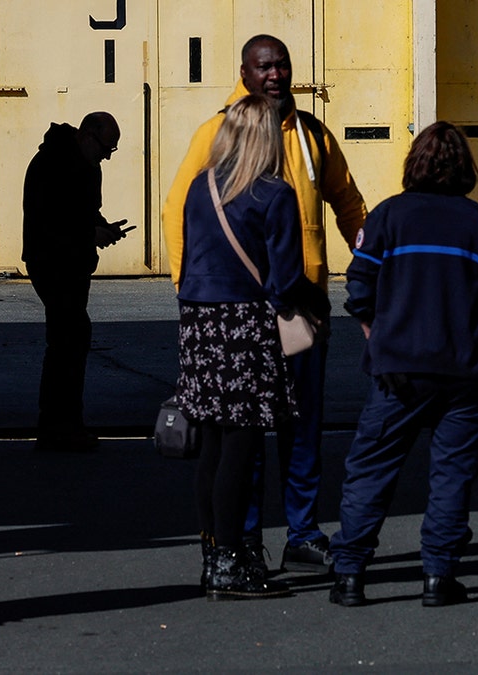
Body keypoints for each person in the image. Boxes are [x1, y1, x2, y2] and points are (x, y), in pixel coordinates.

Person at [163, 34, 367, 575]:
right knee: (241, 437)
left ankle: (301, 532)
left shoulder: (312, 136)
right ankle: (243, 536)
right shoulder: (222, 130)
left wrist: (370, 265)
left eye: (282, 65)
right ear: (245, 72)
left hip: (301, 313)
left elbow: (348, 203)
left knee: (302, 430)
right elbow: (177, 211)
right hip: (248, 309)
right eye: (264, 67)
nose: (275, 75)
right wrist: (195, 289)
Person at [328, 122, 478, 608]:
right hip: (464, 370)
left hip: (397, 371)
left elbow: (359, 286)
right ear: (465, 167)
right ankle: (439, 575)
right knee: (452, 474)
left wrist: (378, 333)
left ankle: (349, 574)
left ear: (414, 163)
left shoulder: (388, 216)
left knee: (371, 470)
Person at [176, 94, 324, 601]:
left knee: (212, 447)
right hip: (244, 324)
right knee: (241, 446)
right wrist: (314, 305)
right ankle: (231, 563)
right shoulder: (273, 194)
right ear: (265, 137)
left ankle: (212, 552)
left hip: (199, 322)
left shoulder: (201, 188)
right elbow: (283, 282)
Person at [22, 112, 127, 453]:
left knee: (71, 339)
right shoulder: (48, 164)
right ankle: (58, 426)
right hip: (51, 263)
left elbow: (84, 212)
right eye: (105, 148)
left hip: (72, 263)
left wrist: (103, 228)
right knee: (67, 339)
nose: (106, 156)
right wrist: (89, 233)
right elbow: (49, 221)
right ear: (87, 135)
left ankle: (63, 424)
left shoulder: (86, 166)